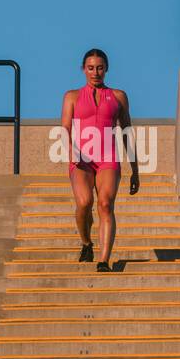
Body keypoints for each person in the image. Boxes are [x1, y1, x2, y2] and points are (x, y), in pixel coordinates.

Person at [60, 48, 139, 270]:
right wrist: (71, 153)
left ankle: (104, 260)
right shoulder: (72, 96)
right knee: (84, 203)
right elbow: (65, 128)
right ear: (83, 69)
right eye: (91, 68)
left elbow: (127, 132)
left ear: (107, 69)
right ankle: (86, 243)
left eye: (100, 68)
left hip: (108, 158)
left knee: (105, 204)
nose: (96, 72)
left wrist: (135, 170)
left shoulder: (118, 96)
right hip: (81, 158)